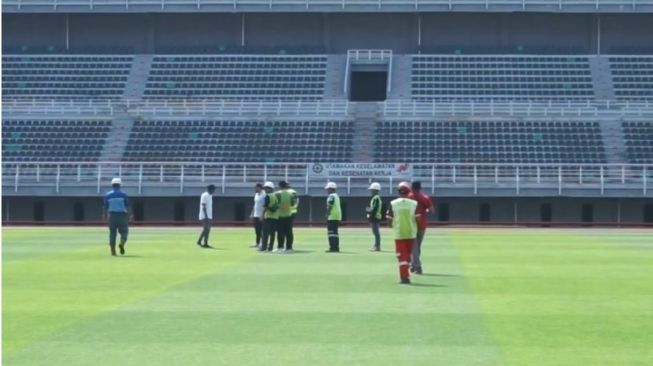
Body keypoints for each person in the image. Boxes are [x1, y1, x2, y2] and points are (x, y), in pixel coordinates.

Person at [387, 182, 419, 284]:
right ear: (408, 192)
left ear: (399, 192)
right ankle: (406, 273)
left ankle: (404, 278)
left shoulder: (393, 203)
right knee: (407, 256)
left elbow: (388, 219)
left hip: (399, 234)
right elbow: (418, 218)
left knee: (402, 257)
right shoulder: (414, 204)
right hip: (411, 233)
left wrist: (391, 225)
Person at [408, 181, 435, 275]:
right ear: (420, 188)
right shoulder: (425, 197)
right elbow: (432, 210)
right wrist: (425, 210)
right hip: (422, 224)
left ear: (412, 187)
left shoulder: (409, 197)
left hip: (411, 224)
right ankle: (413, 265)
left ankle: (417, 266)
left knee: (413, 247)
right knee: (417, 246)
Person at [103, 177, 130, 256]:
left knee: (112, 233)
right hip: (122, 215)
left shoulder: (108, 195)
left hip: (112, 215)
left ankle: (113, 251)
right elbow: (127, 206)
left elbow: (105, 207)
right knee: (124, 231)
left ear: (112, 185)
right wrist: (131, 215)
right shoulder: (124, 194)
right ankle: (122, 242)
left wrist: (104, 215)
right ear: (120, 185)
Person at [276, 181, 298, 253]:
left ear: (280, 186)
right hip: (288, 214)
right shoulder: (290, 193)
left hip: (280, 215)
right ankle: (289, 247)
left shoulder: (278, 194)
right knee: (289, 231)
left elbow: (275, 203)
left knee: (280, 232)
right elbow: (292, 204)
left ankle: (280, 247)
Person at [259, 181, 279, 252]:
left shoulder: (268, 196)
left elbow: (265, 207)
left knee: (265, 233)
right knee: (272, 233)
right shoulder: (275, 196)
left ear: (271, 189)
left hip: (268, 217)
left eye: (267, 188)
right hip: (275, 217)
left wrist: (262, 215)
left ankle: (263, 247)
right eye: (265, 188)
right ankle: (270, 247)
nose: (265, 190)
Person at [324, 182, 341, 253]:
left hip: (332, 216)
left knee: (331, 233)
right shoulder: (336, 196)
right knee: (335, 233)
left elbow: (330, 205)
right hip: (337, 216)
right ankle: (336, 247)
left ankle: (332, 248)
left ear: (331, 189)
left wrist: (327, 213)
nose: (327, 191)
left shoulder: (331, 196)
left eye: (328, 189)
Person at [366, 182, 383, 252]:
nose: (370, 191)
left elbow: (374, 208)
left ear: (375, 190)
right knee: (375, 232)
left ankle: (377, 246)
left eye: (372, 190)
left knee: (376, 232)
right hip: (375, 217)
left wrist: (370, 213)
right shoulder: (376, 198)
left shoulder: (376, 198)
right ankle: (376, 245)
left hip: (375, 217)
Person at [250, 183, 266, 248]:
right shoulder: (256, 194)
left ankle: (263, 243)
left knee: (262, 230)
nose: (254, 189)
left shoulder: (264, 194)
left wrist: (263, 215)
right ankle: (257, 243)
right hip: (256, 215)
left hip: (261, 215)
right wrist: (252, 213)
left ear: (259, 187)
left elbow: (265, 205)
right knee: (257, 230)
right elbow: (255, 204)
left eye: (256, 188)